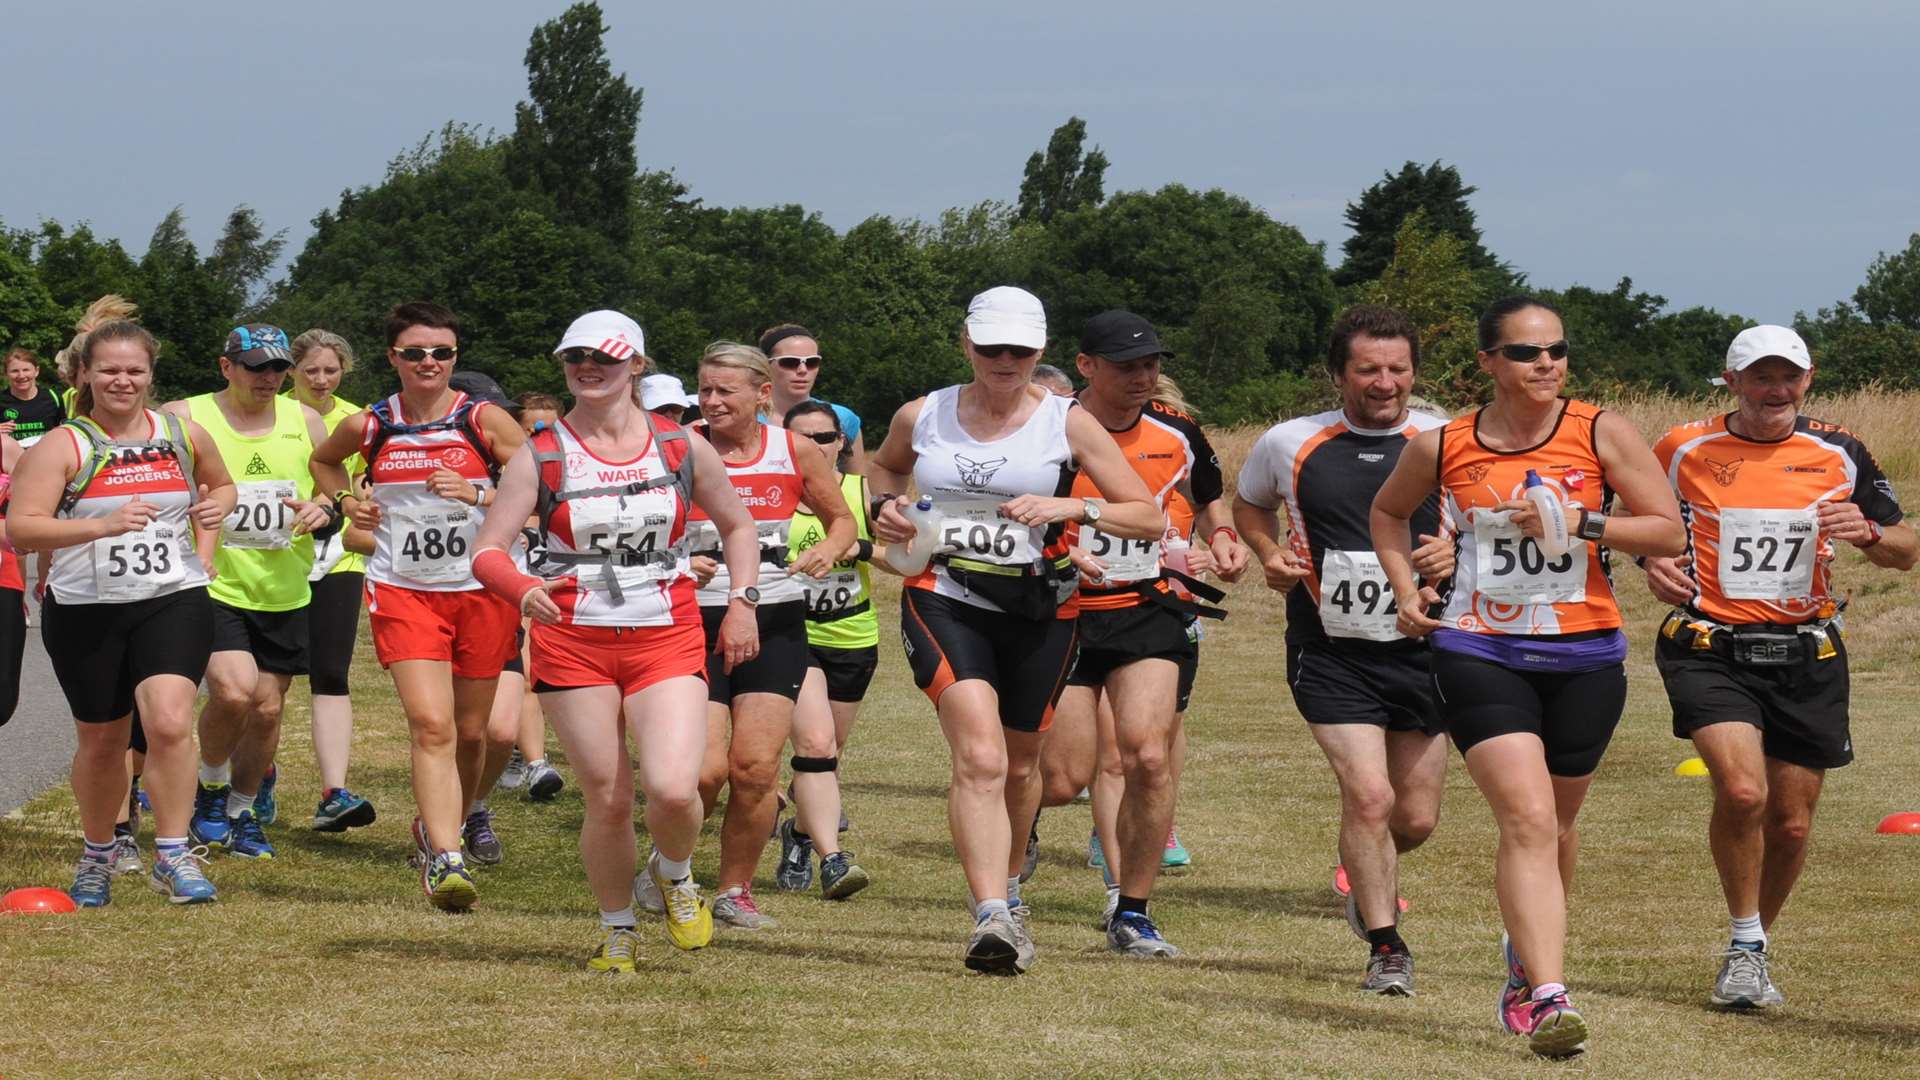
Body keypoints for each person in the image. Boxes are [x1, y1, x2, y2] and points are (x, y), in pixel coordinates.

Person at [1370, 296, 1685, 1057]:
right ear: (1488, 362)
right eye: (1524, 352)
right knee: (1529, 820)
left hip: (1585, 655)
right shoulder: (1443, 443)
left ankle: (1522, 961)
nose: (1545, 363)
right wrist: (1408, 589)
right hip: (1481, 650)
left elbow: (1668, 528)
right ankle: (1549, 996)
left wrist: (1582, 522)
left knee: (1557, 825)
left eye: (1556, 350)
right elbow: (1388, 515)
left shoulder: (1600, 429)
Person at [867, 285, 1163, 975]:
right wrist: (886, 505)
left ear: (1041, 351)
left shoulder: (1067, 422)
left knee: (1025, 765)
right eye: (992, 347)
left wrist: (1070, 507)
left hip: (1041, 606)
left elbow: (1146, 516)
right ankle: (991, 913)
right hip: (944, 593)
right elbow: (883, 469)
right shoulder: (926, 413)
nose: (1006, 361)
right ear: (965, 344)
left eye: (1021, 350)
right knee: (982, 757)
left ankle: (1011, 886)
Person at [474, 310, 763, 969]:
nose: (588, 367)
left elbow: (739, 528)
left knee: (671, 787)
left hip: (666, 636)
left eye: (604, 357)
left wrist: (743, 602)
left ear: (636, 365)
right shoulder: (542, 453)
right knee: (607, 794)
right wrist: (521, 590)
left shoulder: (681, 447)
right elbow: (488, 550)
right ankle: (617, 928)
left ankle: (677, 871)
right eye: (575, 356)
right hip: (572, 641)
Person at [1642, 325, 1914, 1010]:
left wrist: (1871, 532)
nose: (1777, 390)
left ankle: (1748, 950)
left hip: (1807, 654)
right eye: (1760, 376)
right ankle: (1745, 943)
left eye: (1788, 376)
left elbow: (1906, 548)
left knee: (1791, 824)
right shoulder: (1681, 447)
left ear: (1809, 378)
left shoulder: (1840, 449)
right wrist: (1652, 561)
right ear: (1731, 382)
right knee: (1740, 793)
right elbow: (1631, 523)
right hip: (1710, 647)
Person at [1234, 304, 1453, 995]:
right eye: (1368, 370)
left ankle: (1366, 872)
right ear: (1338, 375)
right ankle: (1386, 947)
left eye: (1398, 369)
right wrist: (1269, 554)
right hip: (1331, 649)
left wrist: (1457, 548)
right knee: (1368, 795)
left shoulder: (1448, 436)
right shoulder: (1289, 442)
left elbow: (1490, 520)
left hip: (1427, 648)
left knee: (1412, 818)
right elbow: (1248, 505)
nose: (1385, 383)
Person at [8, 316, 236, 906]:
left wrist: (212, 523)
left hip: (172, 597)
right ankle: (98, 853)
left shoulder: (180, 433)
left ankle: (174, 852)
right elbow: (21, 530)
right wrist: (101, 525)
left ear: (150, 374)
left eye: (135, 370)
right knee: (103, 740)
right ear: (84, 373)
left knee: (167, 721)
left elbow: (221, 486)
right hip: (88, 608)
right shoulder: (65, 444)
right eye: (109, 369)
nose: (123, 381)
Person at [1040, 311, 1247, 959]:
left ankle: (1132, 909)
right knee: (1062, 777)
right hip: (1061, 605)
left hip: (1150, 603)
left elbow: (1209, 494)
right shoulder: (1047, 429)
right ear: (1086, 365)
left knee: (1146, 755)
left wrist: (1222, 537)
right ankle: (1019, 832)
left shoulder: (1178, 429)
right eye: (1127, 365)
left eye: (1151, 364)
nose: (1143, 376)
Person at [310, 302, 526, 911]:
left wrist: (479, 491)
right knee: (431, 724)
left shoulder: (483, 420)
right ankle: (446, 853)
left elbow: (542, 491)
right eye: (414, 352)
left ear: (455, 358)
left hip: (481, 590)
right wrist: (349, 501)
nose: (428, 362)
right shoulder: (372, 424)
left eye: (441, 352)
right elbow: (323, 461)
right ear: (393, 359)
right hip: (404, 588)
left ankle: (448, 816)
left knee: (472, 731)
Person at [685, 342, 854, 929]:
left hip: (774, 617)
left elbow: (842, 519)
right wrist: (684, 563)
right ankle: (671, 868)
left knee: (755, 769)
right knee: (702, 771)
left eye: (724, 391)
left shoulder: (795, 449)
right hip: (694, 618)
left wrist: (831, 550)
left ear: (761, 394)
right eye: (704, 389)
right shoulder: (680, 447)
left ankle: (734, 890)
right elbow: (647, 527)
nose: (711, 401)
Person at [169, 326, 335, 861]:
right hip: (213, 580)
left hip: (284, 585)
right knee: (234, 690)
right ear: (226, 367)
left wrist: (323, 511)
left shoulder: (305, 420)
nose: (269, 378)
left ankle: (241, 812)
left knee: (266, 710)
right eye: (255, 367)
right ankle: (211, 791)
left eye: (278, 368)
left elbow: (332, 492)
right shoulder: (186, 416)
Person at [772, 400, 876, 899]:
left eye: (826, 438)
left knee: (827, 754)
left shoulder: (860, 492)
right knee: (816, 746)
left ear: (842, 444)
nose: (816, 447)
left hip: (853, 636)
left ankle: (797, 833)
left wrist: (862, 548)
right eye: (804, 438)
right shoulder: (774, 496)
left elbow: (908, 559)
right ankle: (831, 855)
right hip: (796, 634)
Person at [288, 329, 380, 832]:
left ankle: (334, 792)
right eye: (311, 372)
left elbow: (369, 481)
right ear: (291, 373)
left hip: (341, 556)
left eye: (331, 371)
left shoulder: (359, 419)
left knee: (330, 671)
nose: (321, 380)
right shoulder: (273, 412)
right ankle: (254, 780)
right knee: (267, 684)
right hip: (280, 557)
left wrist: (345, 504)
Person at [494, 392, 566, 802]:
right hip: (519, 580)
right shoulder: (506, 469)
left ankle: (523, 752)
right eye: (533, 428)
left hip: (561, 581)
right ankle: (534, 761)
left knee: (541, 674)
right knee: (523, 669)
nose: (542, 435)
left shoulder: (569, 466)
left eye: (550, 428)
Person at [759, 324, 867, 474]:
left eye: (812, 362)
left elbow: (857, 486)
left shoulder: (843, 417)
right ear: (765, 364)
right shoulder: (745, 418)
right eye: (790, 362)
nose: (803, 370)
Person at [1, 347, 67, 444]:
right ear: (6, 374)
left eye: (26, 370)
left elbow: (65, 433)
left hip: (45, 457)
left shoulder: (54, 397)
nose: (21, 375)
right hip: (12, 458)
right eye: (14, 371)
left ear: (36, 371)